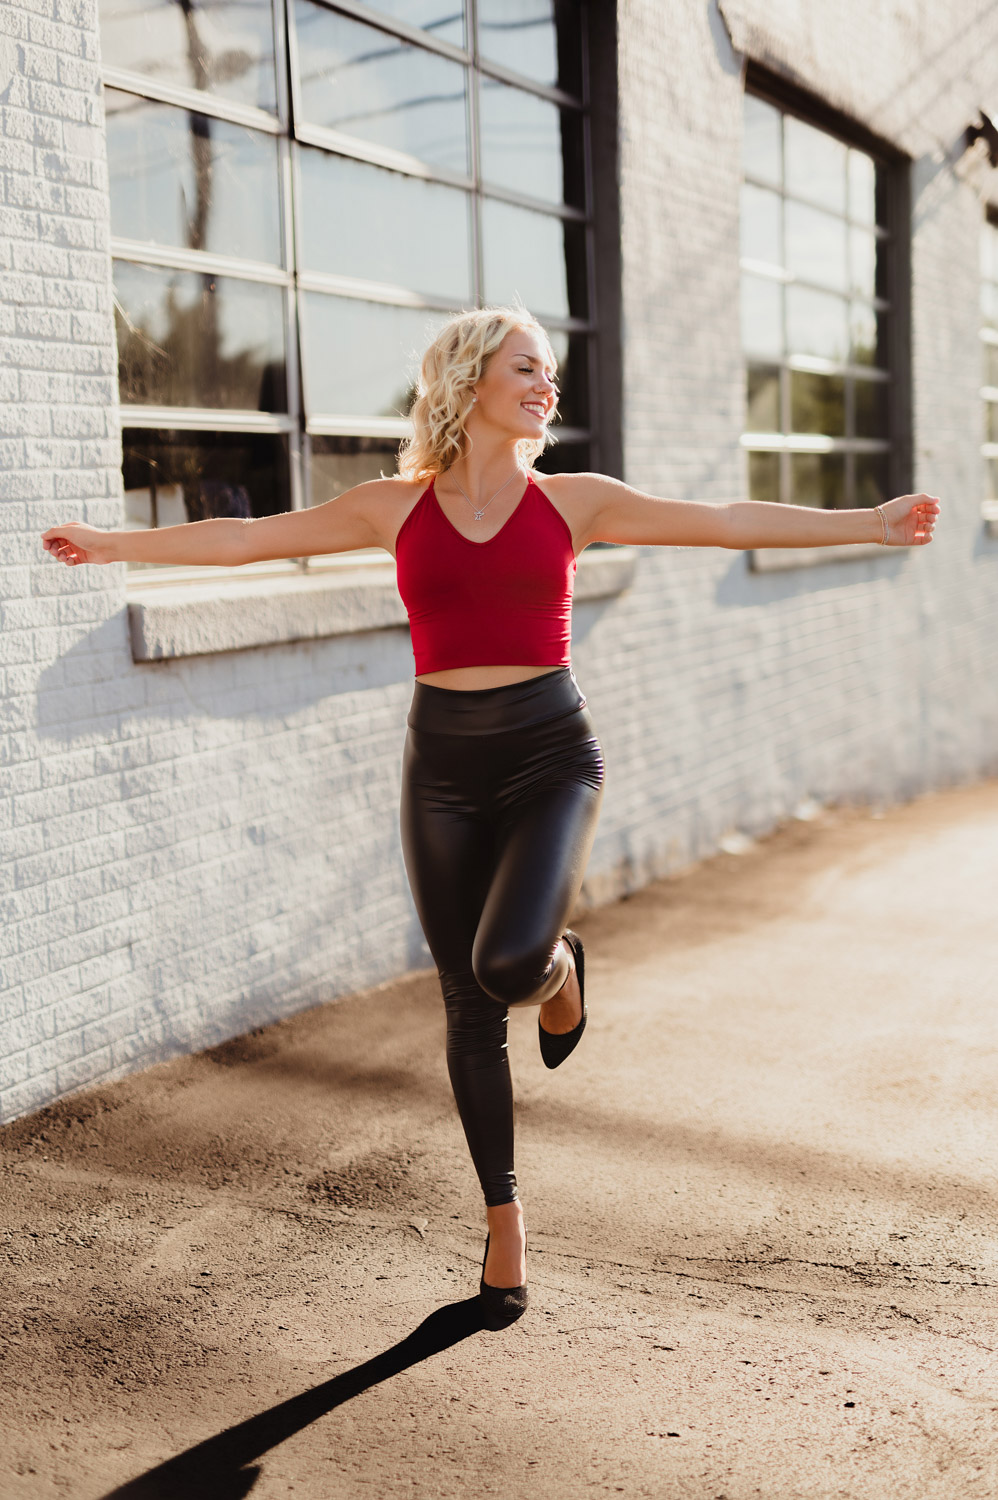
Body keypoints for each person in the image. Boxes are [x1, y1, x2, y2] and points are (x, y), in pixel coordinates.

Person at [41, 305, 940, 1330]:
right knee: (465, 1003)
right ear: (469, 378)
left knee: (506, 964)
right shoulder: (394, 507)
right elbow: (251, 537)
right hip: (440, 768)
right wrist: (113, 542)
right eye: (526, 366)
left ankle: (557, 971)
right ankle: (502, 1215)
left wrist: (866, 522)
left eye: (550, 370)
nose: (544, 383)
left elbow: (725, 519)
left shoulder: (574, 502)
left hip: (550, 755)